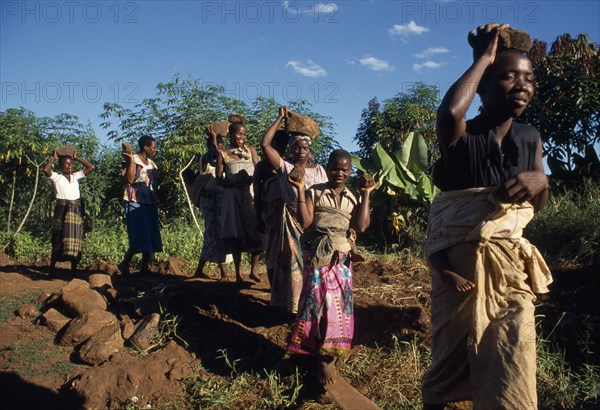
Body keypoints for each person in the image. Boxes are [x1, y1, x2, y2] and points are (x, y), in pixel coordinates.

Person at [422, 24, 552, 409]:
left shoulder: (531, 138)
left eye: (528, 78)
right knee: (449, 357)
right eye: (508, 76)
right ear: (482, 85)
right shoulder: (463, 134)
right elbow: (449, 111)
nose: (521, 86)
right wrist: (483, 58)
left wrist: (539, 180)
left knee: (514, 353)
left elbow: (533, 207)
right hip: (461, 274)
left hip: (510, 270)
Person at [286, 149, 374, 385]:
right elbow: (305, 223)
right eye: (335, 168)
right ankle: (314, 352)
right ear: (328, 168)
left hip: (342, 258)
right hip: (318, 256)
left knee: (338, 309)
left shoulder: (353, 196)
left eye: (345, 169)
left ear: (350, 171)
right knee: (315, 306)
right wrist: (301, 188)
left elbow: (362, 226)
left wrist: (366, 194)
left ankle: (328, 356)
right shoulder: (316, 192)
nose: (340, 173)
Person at [261, 106, 329, 319]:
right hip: (290, 221)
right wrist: (279, 118)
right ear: (291, 149)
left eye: (304, 148)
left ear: (309, 149)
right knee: (292, 266)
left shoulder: (319, 170)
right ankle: (291, 309)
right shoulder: (285, 167)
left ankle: (310, 308)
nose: (300, 152)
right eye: (297, 148)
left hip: (312, 222)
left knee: (312, 265)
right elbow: (265, 145)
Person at [213, 121, 263, 283]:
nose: (241, 137)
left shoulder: (252, 151)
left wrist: (252, 180)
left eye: (244, 134)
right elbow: (219, 180)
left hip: (251, 196)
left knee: (255, 231)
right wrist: (234, 183)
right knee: (236, 234)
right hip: (232, 199)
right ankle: (238, 274)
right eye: (238, 133)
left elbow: (260, 169)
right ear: (231, 134)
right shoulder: (223, 154)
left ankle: (254, 271)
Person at [44, 148, 95, 274]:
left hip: (75, 209)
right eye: (67, 164)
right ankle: (52, 267)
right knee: (58, 237)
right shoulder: (57, 177)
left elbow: (91, 167)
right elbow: (46, 170)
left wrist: (76, 157)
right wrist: (54, 158)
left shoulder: (75, 176)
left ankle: (73, 269)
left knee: (75, 238)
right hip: (61, 209)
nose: (70, 166)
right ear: (61, 166)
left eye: (71, 163)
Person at [118, 135, 163, 275]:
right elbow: (130, 179)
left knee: (150, 232)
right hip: (135, 199)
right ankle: (125, 263)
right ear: (145, 147)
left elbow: (154, 182)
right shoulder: (133, 159)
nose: (155, 150)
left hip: (149, 199)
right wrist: (131, 159)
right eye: (153, 147)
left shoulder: (152, 163)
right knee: (139, 232)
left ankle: (144, 267)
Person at [193, 134, 232, 281]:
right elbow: (214, 155)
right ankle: (223, 271)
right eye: (216, 146)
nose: (219, 149)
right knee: (214, 232)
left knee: (215, 233)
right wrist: (214, 138)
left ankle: (199, 269)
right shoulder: (206, 159)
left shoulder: (223, 159)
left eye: (221, 146)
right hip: (209, 200)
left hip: (220, 199)